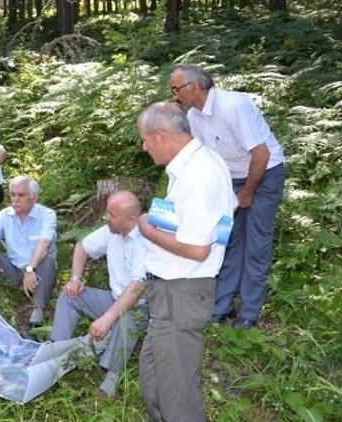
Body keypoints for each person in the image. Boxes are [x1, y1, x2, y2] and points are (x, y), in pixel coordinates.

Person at [136, 102, 236, 422]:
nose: (144, 146)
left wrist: (147, 229)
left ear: (161, 135)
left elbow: (197, 250)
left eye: (145, 139)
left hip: (182, 292)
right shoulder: (201, 163)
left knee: (178, 398)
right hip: (171, 292)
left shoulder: (198, 173)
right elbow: (224, 216)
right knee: (154, 384)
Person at [170, 64, 285, 329]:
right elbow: (205, 161)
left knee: (256, 244)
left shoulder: (234, 106)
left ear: (195, 86)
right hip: (231, 179)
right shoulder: (195, 118)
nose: (175, 95)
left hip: (265, 174)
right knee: (227, 240)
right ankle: (223, 305)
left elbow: (261, 154)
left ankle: (249, 312)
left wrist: (246, 194)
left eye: (177, 89)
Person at [50, 191, 148, 398]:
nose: (105, 217)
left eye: (111, 214)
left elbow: (137, 288)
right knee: (70, 296)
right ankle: (55, 353)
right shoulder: (111, 231)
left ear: (129, 219)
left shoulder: (146, 240)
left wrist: (106, 319)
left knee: (127, 319)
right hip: (113, 298)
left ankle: (111, 378)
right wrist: (75, 278)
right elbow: (82, 247)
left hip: (141, 306)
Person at [0, 175, 57, 327]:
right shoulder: (6, 215)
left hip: (40, 271)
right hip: (15, 271)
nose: (15, 199)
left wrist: (31, 269)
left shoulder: (47, 215)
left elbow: (44, 243)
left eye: (21, 195)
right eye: (12, 194)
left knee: (48, 257)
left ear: (34, 197)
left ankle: (37, 313)